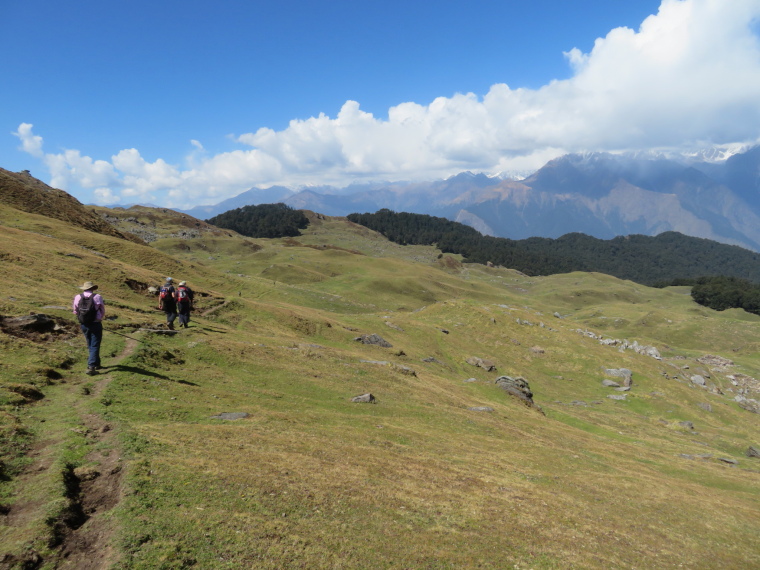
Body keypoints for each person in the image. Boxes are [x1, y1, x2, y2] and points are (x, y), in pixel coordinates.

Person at [72, 281, 105, 375]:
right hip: (95, 323)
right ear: (93, 288)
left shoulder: (78, 297)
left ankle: (96, 363)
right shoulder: (97, 297)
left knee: (90, 343)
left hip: (84, 324)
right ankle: (91, 367)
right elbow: (102, 310)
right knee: (95, 344)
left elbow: (75, 310)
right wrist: (99, 319)